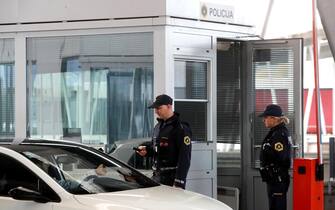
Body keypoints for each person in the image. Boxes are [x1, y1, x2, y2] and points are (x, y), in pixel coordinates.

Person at [136, 94, 192, 189]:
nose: (156, 112)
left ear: (169, 106)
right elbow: (158, 148)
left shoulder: (181, 128)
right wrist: (147, 151)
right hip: (156, 176)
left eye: (159, 108)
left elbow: (184, 157)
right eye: (155, 109)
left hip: (172, 179)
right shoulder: (158, 127)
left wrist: (179, 182)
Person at [258, 104, 291, 210]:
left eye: (266, 117)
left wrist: (268, 151)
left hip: (278, 179)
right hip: (274, 178)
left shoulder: (279, 134)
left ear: (274, 118)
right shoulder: (275, 132)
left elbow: (282, 157)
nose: (264, 120)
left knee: (277, 207)